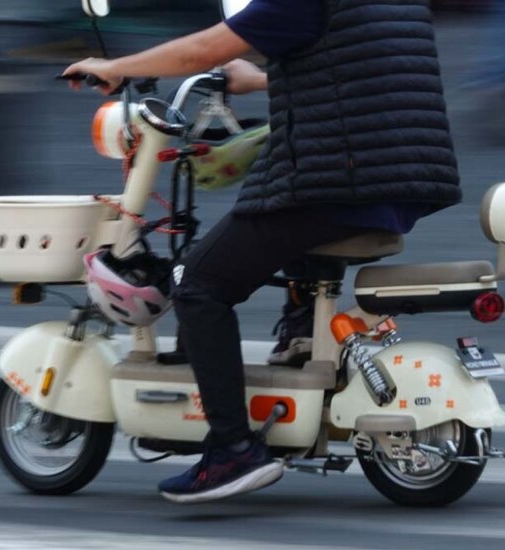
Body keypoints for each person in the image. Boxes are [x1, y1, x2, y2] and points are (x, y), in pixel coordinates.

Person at [63, 0, 461, 503]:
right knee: (279, 227)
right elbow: (356, 73)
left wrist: (113, 67)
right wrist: (258, 81)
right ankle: (299, 337)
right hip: (404, 178)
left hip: (341, 180)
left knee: (197, 281)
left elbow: (201, 51)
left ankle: (233, 450)